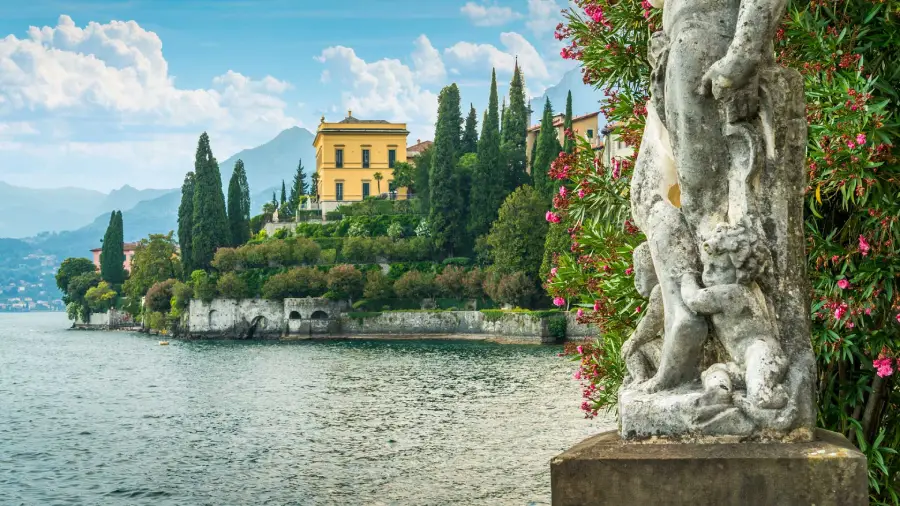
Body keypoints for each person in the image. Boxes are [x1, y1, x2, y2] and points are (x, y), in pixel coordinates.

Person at [680, 221, 788, 410]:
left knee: (759, 397)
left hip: (762, 353)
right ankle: (719, 392)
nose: (710, 275)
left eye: (719, 269)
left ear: (740, 272)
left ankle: (780, 400)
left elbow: (693, 300)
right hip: (744, 362)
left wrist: (687, 276)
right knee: (715, 371)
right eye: (707, 268)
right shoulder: (742, 288)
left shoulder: (731, 293)